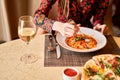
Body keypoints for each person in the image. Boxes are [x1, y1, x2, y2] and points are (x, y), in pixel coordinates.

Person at [34, 0, 109, 37]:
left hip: (85, 33)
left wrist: (98, 25)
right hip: (61, 32)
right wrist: (58, 26)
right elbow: (37, 16)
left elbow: (99, 16)